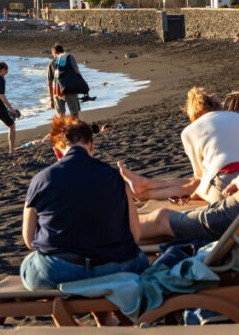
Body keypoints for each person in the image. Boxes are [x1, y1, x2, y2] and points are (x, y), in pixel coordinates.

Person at [21, 117, 148, 290]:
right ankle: (105, 316)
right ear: (92, 146)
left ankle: (67, 317)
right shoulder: (113, 177)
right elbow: (135, 234)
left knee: (29, 265)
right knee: (140, 259)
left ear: (57, 152)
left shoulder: (41, 180)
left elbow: (29, 239)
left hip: (61, 270)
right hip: (113, 267)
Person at [118, 88, 239, 204]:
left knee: (195, 183)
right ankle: (145, 184)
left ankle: (146, 193)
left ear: (192, 112)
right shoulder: (238, 117)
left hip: (226, 183)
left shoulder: (189, 131)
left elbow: (199, 177)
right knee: (199, 180)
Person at [48, 44, 85, 117]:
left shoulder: (51, 64)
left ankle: (64, 127)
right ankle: (74, 127)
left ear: (54, 53)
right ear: (63, 51)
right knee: (74, 113)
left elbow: (49, 84)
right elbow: (77, 72)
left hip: (57, 91)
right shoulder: (70, 58)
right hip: (70, 88)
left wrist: (51, 99)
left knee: (61, 115)